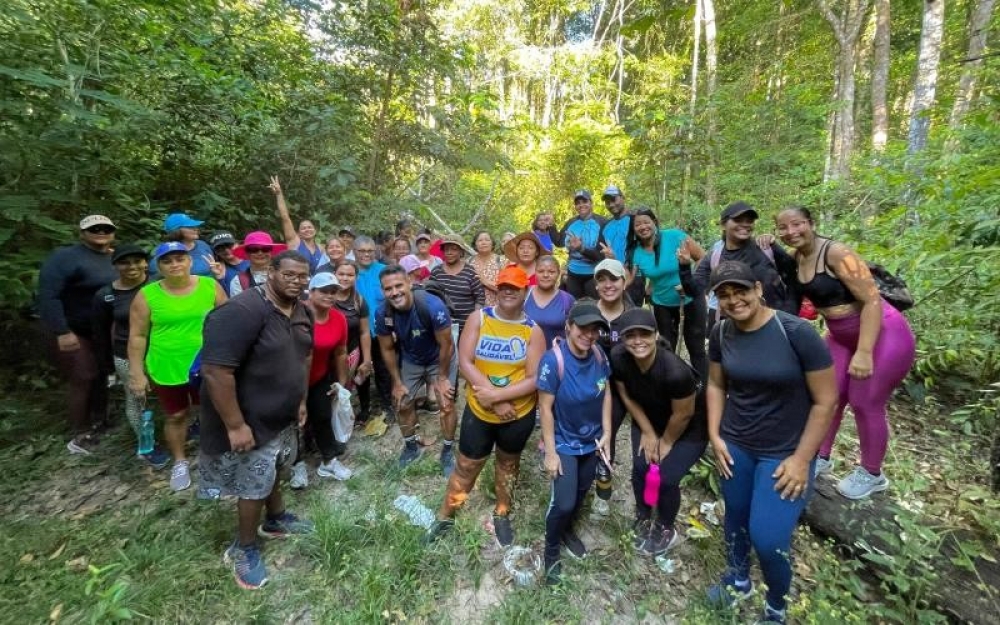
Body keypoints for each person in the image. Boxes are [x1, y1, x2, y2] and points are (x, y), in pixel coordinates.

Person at [704, 261, 837, 624]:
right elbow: (716, 385)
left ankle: (776, 602)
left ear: (759, 289)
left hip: (786, 452)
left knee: (768, 538)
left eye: (740, 291)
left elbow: (826, 401)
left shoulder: (796, 332)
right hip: (736, 444)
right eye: (724, 295)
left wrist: (801, 459)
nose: (734, 301)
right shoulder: (720, 333)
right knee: (735, 519)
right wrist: (715, 435)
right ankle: (738, 579)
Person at [775, 207, 916, 499]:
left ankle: (872, 473)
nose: (791, 232)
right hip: (839, 335)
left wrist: (864, 351)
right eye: (783, 228)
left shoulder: (837, 253)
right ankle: (821, 455)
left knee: (865, 402)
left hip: (882, 333)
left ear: (811, 224)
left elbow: (872, 301)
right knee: (828, 396)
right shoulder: (795, 258)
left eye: (797, 224)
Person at [198, 251, 316, 590]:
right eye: (290, 275)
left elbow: (303, 357)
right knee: (253, 481)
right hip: (249, 415)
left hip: (282, 412)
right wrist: (235, 425)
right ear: (270, 273)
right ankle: (243, 548)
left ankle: (276, 520)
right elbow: (216, 370)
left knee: (272, 468)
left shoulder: (300, 310)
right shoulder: (243, 311)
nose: (297, 281)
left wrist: (302, 400)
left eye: (303, 275)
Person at [428, 266, 545, 546]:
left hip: (517, 413)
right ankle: (445, 516)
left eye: (514, 287)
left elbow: (534, 379)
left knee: (508, 463)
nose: (507, 291)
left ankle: (502, 512)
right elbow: (466, 361)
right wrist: (494, 398)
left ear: (524, 292)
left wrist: (500, 399)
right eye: (503, 285)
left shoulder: (533, 331)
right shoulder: (478, 318)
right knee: (467, 464)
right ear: (496, 289)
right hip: (480, 409)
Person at [128, 242, 227, 491]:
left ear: (190, 261)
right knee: (176, 414)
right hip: (166, 364)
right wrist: (136, 373)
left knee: (213, 411)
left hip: (207, 362)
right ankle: (180, 460)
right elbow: (138, 336)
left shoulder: (209, 285)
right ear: (158, 266)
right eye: (167, 261)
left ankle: (217, 455)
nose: (175, 265)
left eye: (180, 259)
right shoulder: (147, 294)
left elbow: (228, 319)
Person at [610, 308, 705, 556]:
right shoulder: (619, 357)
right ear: (622, 339)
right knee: (641, 468)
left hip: (688, 426)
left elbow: (683, 414)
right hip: (650, 417)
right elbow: (626, 395)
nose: (638, 341)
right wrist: (648, 431)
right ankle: (644, 513)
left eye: (645, 334)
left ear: (656, 335)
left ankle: (665, 525)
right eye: (631, 335)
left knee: (666, 477)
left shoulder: (675, 371)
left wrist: (666, 441)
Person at [538, 303, 613, 586]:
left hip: (591, 440)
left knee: (582, 492)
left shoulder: (599, 355)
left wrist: (607, 432)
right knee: (564, 500)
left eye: (595, 329)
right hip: (564, 441)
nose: (589, 334)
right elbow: (545, 408)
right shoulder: (552, 360)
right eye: (583, 327)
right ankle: (551, 549)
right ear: (569, 325)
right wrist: (551, 453)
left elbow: (606, 393)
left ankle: (568, 529)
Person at [37, 215, 118, 454]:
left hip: (101, 329)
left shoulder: (114, 257)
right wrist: (62, 331)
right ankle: (80, 432)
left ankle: (100, 421)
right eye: (94, 229)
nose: (100, 232)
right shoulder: (65, 258)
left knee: (102, 374)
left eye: (106, 228)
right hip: (72, 328)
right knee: (83, 375)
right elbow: (48, 295)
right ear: (82, 233)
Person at [92, 244, 168, 468]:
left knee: (177, 392)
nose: (132, 267)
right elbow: (100, 331)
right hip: (127, 354)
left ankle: (188, 428)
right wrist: (107, 365)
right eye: (125, 262)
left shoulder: (160, 283)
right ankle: (147, 445)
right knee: (137, 398)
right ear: (115, 265)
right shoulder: (105, 295)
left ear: (146, 263)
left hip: (166, 350)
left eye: (137, 261)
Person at [374, 265, 457, 472]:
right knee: (402, 402)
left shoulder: (432, 306)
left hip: (439, 357)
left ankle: (448, 450)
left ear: (409, 283)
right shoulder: (383, 312)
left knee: (445, 403)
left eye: (398, 285)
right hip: (412, 359)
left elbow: (447, 344)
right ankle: (411, 447)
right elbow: (386, 348)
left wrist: (443, 377)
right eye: (388, 289)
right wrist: (397, 382)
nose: (394, 292)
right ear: (383, 291)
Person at [625, 207, 708, 379]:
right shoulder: (636, 252)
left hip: (691, 300)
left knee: (696, 350)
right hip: (662, 304)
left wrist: (694, 283)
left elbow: (702, 257)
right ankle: (675, 388)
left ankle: (705, 393)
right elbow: (630, 278)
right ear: (633, 229)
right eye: (637, 224)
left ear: (655, 222)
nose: (642, 227)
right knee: (666, 349)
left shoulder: (675, 236)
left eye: (646, 222)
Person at [289, 272, 351, 489]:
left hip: (318, 377)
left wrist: (341, 383)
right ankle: (296, 465)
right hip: (289, 379)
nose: (329, 295)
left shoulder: (338, 318)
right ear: (311, 291)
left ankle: (328, 460)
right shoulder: (295, 314)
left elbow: (341, 353)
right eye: (324, 290)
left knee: (323, 416)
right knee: (294, 423)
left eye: (333, 291)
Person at [694, 202, 798, 329]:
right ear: (723, 225)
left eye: (749, 221)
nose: (745, 224)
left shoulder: (766, 247)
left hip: (775, 323)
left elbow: (794, 280)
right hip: (737, 326)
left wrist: (790, 314)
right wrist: (683, 267)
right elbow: (695, 288)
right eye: (738, 220)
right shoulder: (715, 256)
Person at [589, 258, 638, 515]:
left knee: (606, 434)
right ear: (596, 284)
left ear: (624, 281)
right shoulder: (587, 312)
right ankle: (578, 478)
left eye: (614, 279)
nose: (608, 285)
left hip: (620, 389)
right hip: (587, 386)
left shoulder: (633, 316)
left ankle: (603, 490)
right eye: (602, 279)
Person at [354, 236, 395, 421]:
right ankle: (364, 408)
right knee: (361, 369)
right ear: (354, 252)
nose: (366, 254)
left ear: (375, 251)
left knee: (384, 368)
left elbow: (394, 299)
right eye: (362, 251)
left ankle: (387, 404)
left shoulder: (383, 271)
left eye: (369, 251)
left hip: (382, 330)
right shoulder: (349, 272)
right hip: (358, 332)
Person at [331, 260, 375, 424]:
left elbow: (364, 332)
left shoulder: (359, 301)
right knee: (334, 384)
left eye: (350, 275)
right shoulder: (325, 297)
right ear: (334, 274)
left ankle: (364, 410)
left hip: (352, 349)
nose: (345, 278)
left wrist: (367, 359)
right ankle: (336, 416)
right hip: (330, 352)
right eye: (341, 274)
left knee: (360, 379)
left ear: (356, 277)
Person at [429, 234, 485, 334]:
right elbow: (429, 297)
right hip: (441, 326)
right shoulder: (436, 272)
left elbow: (480, 298)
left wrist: (473, 322)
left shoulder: (470, 271)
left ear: (461, 252)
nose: (449, 253)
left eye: (454, 249)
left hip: (466, 327)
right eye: (446, 249)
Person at [598, 185, 644, 305]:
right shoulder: (606, 226)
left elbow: (650, 247)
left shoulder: (636, 220)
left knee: (633, 315)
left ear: (622, 198)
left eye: (614, 200)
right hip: (612, 277)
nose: (611, 205)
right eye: (608, 202)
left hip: (634, 275)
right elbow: (601, 252)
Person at [269, 175, 325, 273]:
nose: (307, 229)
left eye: (310, 227)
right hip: (296, 283)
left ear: (315, 230)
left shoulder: (321, 248)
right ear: (298, 233)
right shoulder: (295, 242)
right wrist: (279, 194)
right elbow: (285, 218)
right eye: (303, 228)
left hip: (316, 286)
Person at [557, 190, 606, 299]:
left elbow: (600, 255)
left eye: (584, 201)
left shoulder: (602, 222)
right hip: (573, 274)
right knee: (574, 307)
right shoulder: (571, 222)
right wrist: (550, 226)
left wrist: (581, 248)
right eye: (578, 203)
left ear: (591, 203)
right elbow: (559, 242)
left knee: (593, 309)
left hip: (594, 274)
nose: (581, 205)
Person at [524, 256, 575, 347]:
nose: (546, 275)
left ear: (559, 274)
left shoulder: (567, 300)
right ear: (535, 273)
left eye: (551, 272)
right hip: (524, 356)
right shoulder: (524, 295)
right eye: (541, 271)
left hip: (557, 358)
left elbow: (574, 332)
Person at [228, 231, 287, 297]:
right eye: (254, 249)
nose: (260, 253)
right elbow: (237, 306)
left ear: (271, 252)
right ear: (247, 254)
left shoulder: (285, 275)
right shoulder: (238, 281)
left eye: (265, 249)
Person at [161, 213, 216, 277]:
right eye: (190, 227)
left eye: (195, 226)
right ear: (176, 231)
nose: (196, 229)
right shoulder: (165, 251)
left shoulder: (202, 244)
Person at [468, 231, 506, 307]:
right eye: (480, 240)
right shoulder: (468, 262)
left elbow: (507, 290)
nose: (483, 243)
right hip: (472, 309)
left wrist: (485, 281)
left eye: (487, 240)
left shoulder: (502, 261)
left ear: (492, 244)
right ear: (475, 244)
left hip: (496, 309)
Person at [209, 231, 249, 296]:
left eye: (229, 245)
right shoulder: (218, 269)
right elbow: (224, 298)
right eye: (220, 248)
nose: (226, 250)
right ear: (216, 252)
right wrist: (220, 279)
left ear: (237, 244)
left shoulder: (253, 258)